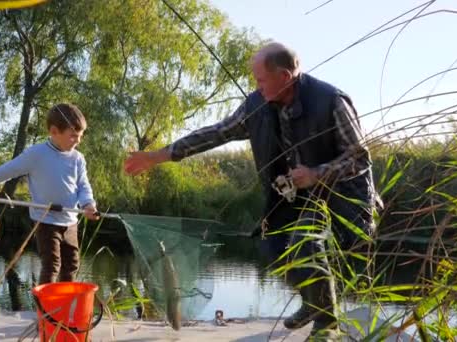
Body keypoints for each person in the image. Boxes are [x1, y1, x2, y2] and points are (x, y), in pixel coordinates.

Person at [123, 42, 379, 340]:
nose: (255, 87)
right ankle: (314, 302)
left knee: (304, 243)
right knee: (274, 247)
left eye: (260, 80)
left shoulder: (331, 101)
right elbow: (217, 132)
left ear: (284, 76)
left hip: (341, 197)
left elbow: (360, 158)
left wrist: (315, 174)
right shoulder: (257, 105)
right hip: (297, 198)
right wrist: (159, 156)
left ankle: (327, 323)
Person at [0, 103, 100, 284]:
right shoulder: (36, 154)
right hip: (45, 221)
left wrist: (88, 205)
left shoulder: (78, 159)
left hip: (70, 222)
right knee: (52, 264)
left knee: (71, 266)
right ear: (54, 132)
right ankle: (45, 310)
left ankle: (66, 306)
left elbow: (83, 185)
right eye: (73, 136)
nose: (78, 141)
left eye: (80, 136)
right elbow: (7, 171)